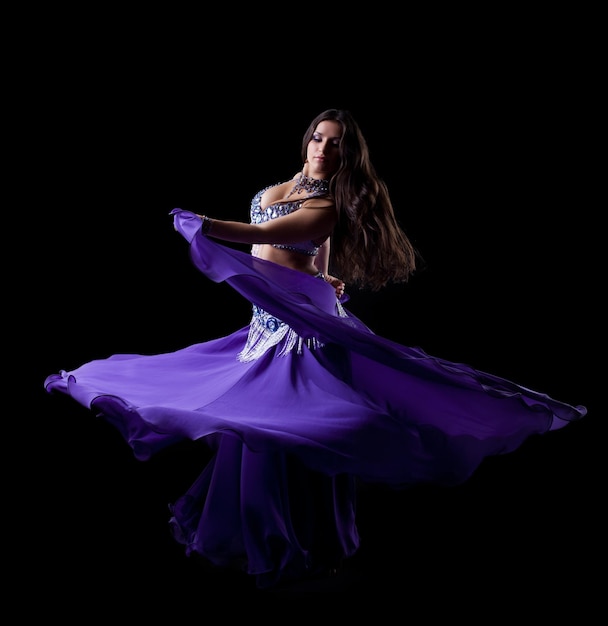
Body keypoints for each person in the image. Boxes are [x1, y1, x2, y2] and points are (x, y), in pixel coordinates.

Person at [44, 108, 587, 590]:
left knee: (287, 427)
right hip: (269, 320)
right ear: (306, 143)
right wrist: (325, 277)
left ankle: (304, 545)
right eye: (318, 139)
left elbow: (274, 231)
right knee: (248, 424)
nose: (324, 149)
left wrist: (202, 225)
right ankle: (252, 536)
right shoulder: (281, 186)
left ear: (348, 156)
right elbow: (303, 245)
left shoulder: (326, 205)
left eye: (336, 144)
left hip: (300, 330)